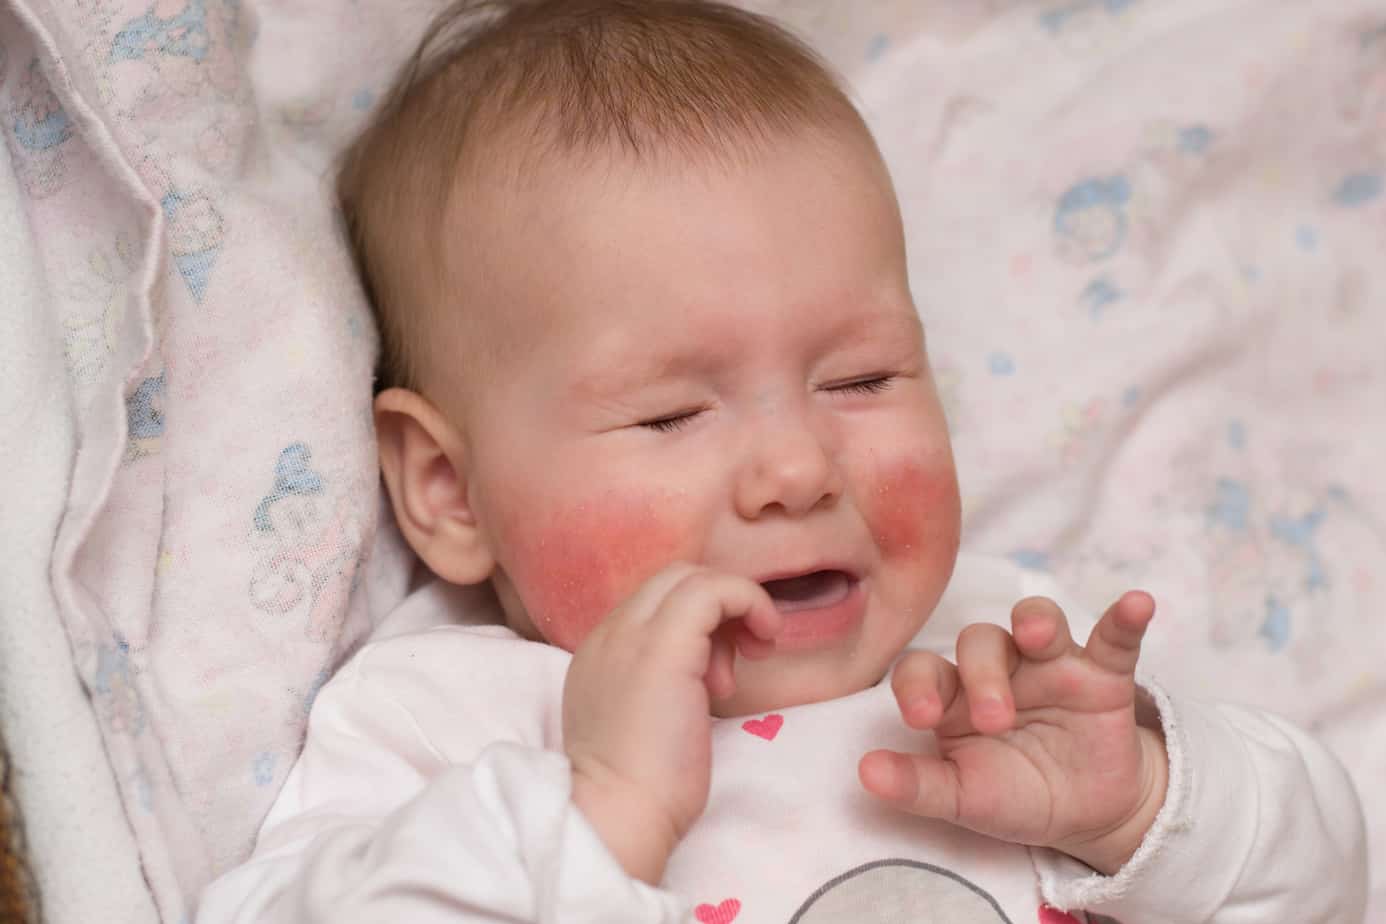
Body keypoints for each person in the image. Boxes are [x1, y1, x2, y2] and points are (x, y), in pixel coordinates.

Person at [197, 1, 1367, 920]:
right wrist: (595, 816)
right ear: (450, 490)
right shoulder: (450, 720)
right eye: (669, 416)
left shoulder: (996, 649)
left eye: (860, 381)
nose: (800, 470)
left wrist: (1141, 807)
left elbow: (1328, 886)